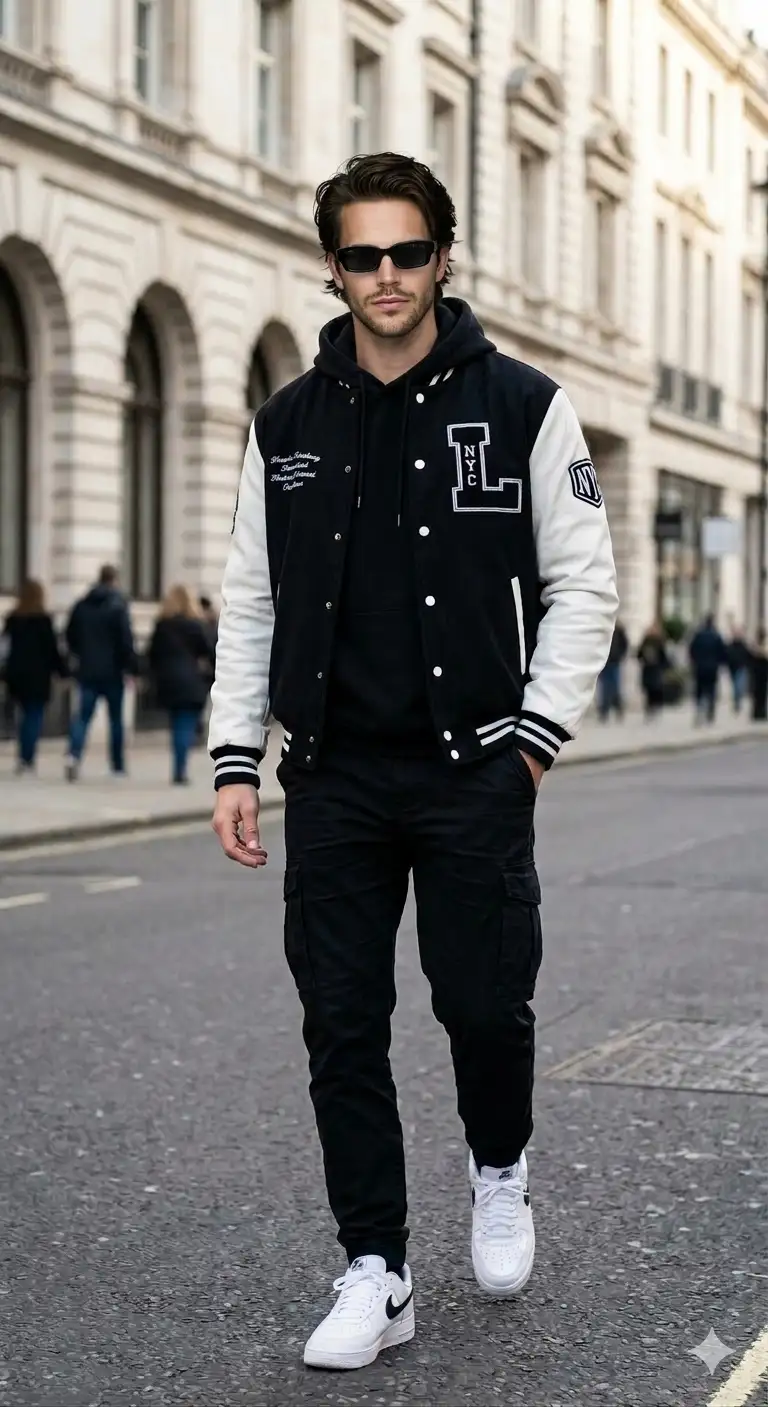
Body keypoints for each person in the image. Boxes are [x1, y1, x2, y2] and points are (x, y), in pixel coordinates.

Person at [208, 152, 618, 1371]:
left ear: (445, 255)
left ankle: (501, 1169)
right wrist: (241, 757)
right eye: (360, 256)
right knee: (342, 1021)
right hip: (332, 775)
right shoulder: (284, 426)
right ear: (330, 266)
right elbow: (249, 600)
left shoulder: (528, 405)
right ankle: (375, 1269)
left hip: (473, 772)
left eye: (407, 252)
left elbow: (583, 588)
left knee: (483, 1005)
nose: (385, 278)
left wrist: (531, 750)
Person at [65, 564, 137, 781]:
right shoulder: (118, 605)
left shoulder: (81, 604)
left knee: (82, 717)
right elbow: (126, 640)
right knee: (116, 720)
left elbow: (70, 636)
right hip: (113, 672)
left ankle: (73, 755)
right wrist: (131, 667)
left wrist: (81, 655)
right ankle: (117, 765)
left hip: (87, 669)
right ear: (114, 580)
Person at [147, 585, 215, 784]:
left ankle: (178, 765)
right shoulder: (195, 625)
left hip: (168, 682)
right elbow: (209, 652)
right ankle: (180, 770)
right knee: (185, 725)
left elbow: (152, 654)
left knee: (177, 723)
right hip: (191, 680)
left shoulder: (162, 625)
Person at [1, 579, 66, 773]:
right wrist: (62, 671)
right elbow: (52, 650)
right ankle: (27, 757)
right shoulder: (44, 621)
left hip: (16, 673)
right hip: (39, 674)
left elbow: (4, 646)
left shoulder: (12, 619)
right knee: (34, 715)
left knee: (22, 715)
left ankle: (23, 756)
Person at [689, 613, 727, 724]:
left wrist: (694, 661)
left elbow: (692, 650)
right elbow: (722, 652)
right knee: (711, 689)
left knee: (699, 689)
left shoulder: (698, 635)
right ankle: (710, 711)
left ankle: (699, 709)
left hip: (700, 667)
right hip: (712, 667)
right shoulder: (716, 636)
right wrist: (721, 663)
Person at [637, 621, 669, 719]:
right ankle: (650, 707)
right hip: (648, 669)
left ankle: (655, 706)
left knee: (656, 689)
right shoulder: (646, 641)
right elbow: (639, 654)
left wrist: (664, 666)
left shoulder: (659, 642)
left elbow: (663, 656)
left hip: (656, 669)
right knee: (649, 689)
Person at [597, 621, 628, 721]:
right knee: (605, 688)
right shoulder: (603, 631)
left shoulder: (619, 631)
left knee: (615, 687)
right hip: (605, 663)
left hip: (614, 662)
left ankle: (618, 708)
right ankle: (604, 711)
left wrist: (620, 656)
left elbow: (624, 645)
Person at [725, 626, 751, 714]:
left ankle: (737, 703)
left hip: (741, 667)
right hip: (733, 668)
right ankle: (736, 702)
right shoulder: (730, 646)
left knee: (738, 686)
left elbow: (748, 656)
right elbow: (727, 656)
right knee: (735, 687)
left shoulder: (743, 645)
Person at [750, 630, 768, 721]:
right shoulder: (757, 646)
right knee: (759, 694)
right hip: (760, 673)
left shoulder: (758, 646)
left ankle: (759, 712)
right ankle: (759, 712)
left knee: (759, 694)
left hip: (759, 673)